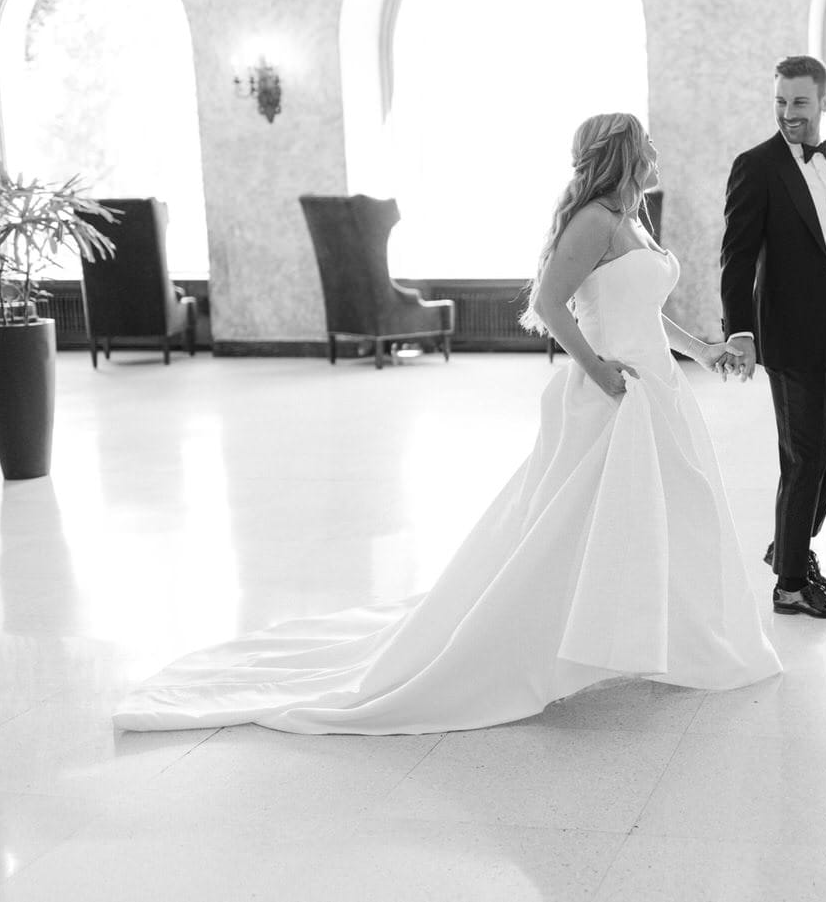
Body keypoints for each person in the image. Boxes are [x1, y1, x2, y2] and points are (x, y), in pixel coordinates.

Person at [114, 113, 781, 735]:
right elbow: (550, 302)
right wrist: (599, 368)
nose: (657, 153)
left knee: (671, 514)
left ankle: (677, 638)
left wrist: (704, 347)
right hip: (612, 397)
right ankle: (541, 640)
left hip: (655, 392)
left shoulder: (631, 221)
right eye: (647, 145)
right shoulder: (595, 221)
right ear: (624, 155)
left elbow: (646, 311)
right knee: (566, 525)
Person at [719, 55, 826, 621]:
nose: (788, 113)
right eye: (781, 101)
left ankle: (787, 548)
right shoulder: (756, 166)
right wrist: (740, 332)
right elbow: (735, 257)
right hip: (787, 332)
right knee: (804, 457)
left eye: (800, 102)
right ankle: (789, 584)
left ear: (823, 102)